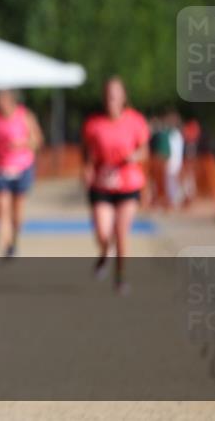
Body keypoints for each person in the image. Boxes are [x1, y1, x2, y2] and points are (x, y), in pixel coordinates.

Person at [81, 76, 149, 295]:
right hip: (102, 185)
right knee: (103, 232)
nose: (111, 97)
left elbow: (145, 150)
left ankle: (120, 277)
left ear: (123, 96)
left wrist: (134, 156)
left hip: (128, 183)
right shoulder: (93, 124)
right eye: (108, 93)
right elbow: (89, 155)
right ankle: (104, 253)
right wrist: (88, 171)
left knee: (120, 232)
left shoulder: (135, 121)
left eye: (115, 93)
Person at [0, 90, 43, 258]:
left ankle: (15, 239)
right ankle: (5, 246)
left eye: (2, 100)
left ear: (11, 100)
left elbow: (38, 141)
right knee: (1, 207)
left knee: (17, 212)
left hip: (22, 167)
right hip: (0, 168)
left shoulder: (25, 116)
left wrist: (22, 143)